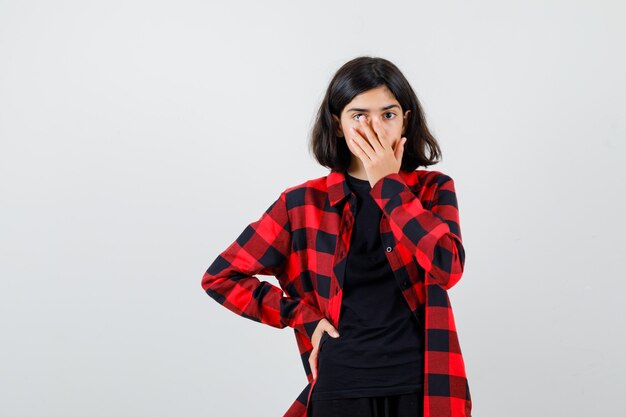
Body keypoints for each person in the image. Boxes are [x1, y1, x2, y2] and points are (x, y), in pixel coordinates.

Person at [201, 56, 472, 417]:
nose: (374, 127)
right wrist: (302, 317)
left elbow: (447, 267)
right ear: (338, 124)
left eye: (388, 115)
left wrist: (389, 185)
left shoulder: (433, 190)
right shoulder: (301, 204)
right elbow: (220, 277)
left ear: (405, 119)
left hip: (421, 386)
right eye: (359, 115)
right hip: (341, 386)